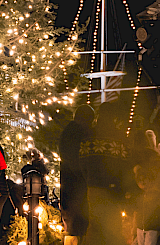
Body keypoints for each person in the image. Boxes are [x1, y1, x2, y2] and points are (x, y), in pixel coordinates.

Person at [79, 101, 132, 245]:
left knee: (94, 227)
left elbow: (82, 162)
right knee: (113, 229)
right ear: (114, 116)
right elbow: (126, 163)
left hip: (93, 187)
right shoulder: (119, 136)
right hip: (113, 190)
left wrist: (88, 178)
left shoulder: (89, 134)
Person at [59, 104, 95, 245]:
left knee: (71, 226)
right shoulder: (81, 134)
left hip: (68, 186)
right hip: (78, 186)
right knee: (78, 225)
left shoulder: (67, 133)